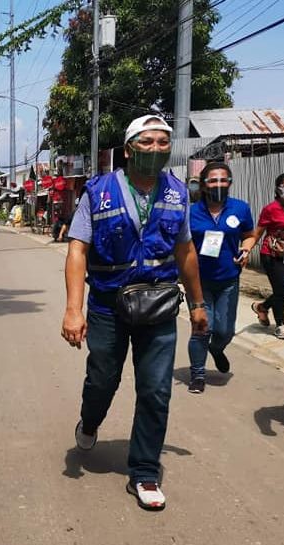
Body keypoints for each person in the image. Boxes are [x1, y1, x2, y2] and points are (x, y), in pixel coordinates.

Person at [61, 115, 208, 510]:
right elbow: (77, 250)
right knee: (102, 379)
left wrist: (198, 304)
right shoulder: (98, 192)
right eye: (147, 142)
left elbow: (186, 251)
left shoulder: (178, 193)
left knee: (156, 389)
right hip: (108, 305)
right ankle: (90, 420)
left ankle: (144, 470)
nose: (156, 149)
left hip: (158, 304)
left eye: (163, 142)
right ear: (128, 150)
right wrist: (73, 309)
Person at [186, 162, 258, 394]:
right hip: (199, 281)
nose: (218, 184)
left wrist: (246, 249)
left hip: (228, 279)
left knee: (225, 331)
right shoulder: (191, 212)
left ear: (230, 182)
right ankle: (198, 374)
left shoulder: (240, 208)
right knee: (202, 327)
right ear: (204, 185)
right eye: (213, 180)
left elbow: (249, 235)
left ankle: (216, 349)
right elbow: (182, 246)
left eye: (223, 180)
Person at [252, 173, 284, 340]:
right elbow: (258, 232)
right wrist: (246, 249)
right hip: (272, 254)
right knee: (281, 289)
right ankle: (280, 325)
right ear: (279, 188)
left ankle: (263, 307)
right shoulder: (270, 209)